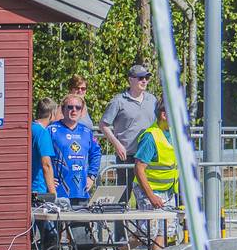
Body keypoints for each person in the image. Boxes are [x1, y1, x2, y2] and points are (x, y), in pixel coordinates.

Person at [98, 64, 158, 221]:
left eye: (146, 78)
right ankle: (120, 241)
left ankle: (145, 236)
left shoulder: (152, 100)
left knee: (146, 197)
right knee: (122, 200)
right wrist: (117, 144)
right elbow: (103, 125)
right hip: (127, 156)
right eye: (140, 78)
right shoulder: (118, 101)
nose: (144, 81)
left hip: (147, 157)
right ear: (131, 80)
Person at [49, 90, 101, 206]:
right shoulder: (52, 130)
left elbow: (96, 154)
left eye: (78, 107)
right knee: (58, 223)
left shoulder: (87, 132)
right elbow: (40, 157)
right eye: (70, 107)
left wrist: (91, 177)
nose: (74, 110)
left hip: (81, 191)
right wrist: (47, 178)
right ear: (63, 109)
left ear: (82, 111)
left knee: (81, 224)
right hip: (58, 192)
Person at [31, 98, 62, 250]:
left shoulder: (30, 128)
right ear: (51, 114)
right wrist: (52, 192)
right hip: (39, 192)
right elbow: (46, 164)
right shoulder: (42, 133)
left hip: (29, 189)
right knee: (50, 236)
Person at [132, 99, 178, 209]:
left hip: (167, 191)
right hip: (148, 192)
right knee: (151, 226)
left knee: (170, 226)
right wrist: (151, 196)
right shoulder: (150, 137)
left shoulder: (173, 133)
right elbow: (139, 169)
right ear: (164, 115)